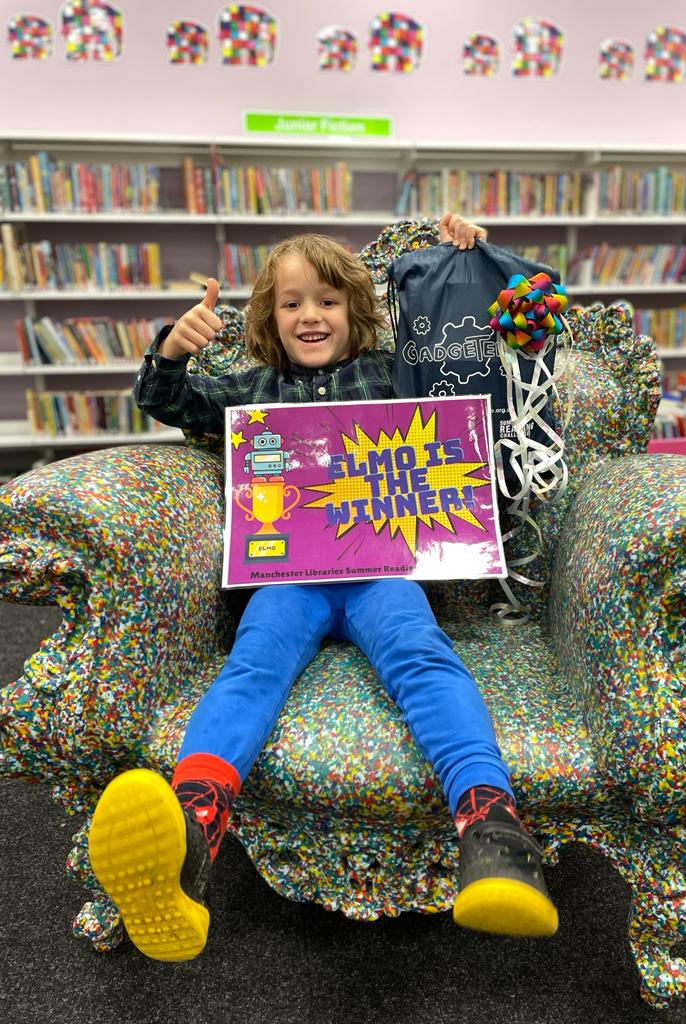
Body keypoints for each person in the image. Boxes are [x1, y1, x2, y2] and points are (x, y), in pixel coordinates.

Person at [88, 214, 558, 962]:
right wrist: (173, 350)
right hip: (289, 579)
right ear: (269, 317)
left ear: (356, 310)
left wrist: (464, 259)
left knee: (422, 654)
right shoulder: (251, 387)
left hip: (381, 572)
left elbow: (468, 354)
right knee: (254, 665)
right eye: (292, 303)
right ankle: (186, 839)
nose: (311, 316)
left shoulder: (395, 369)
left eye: (329, 301)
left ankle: (492, 829)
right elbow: (169, 401)